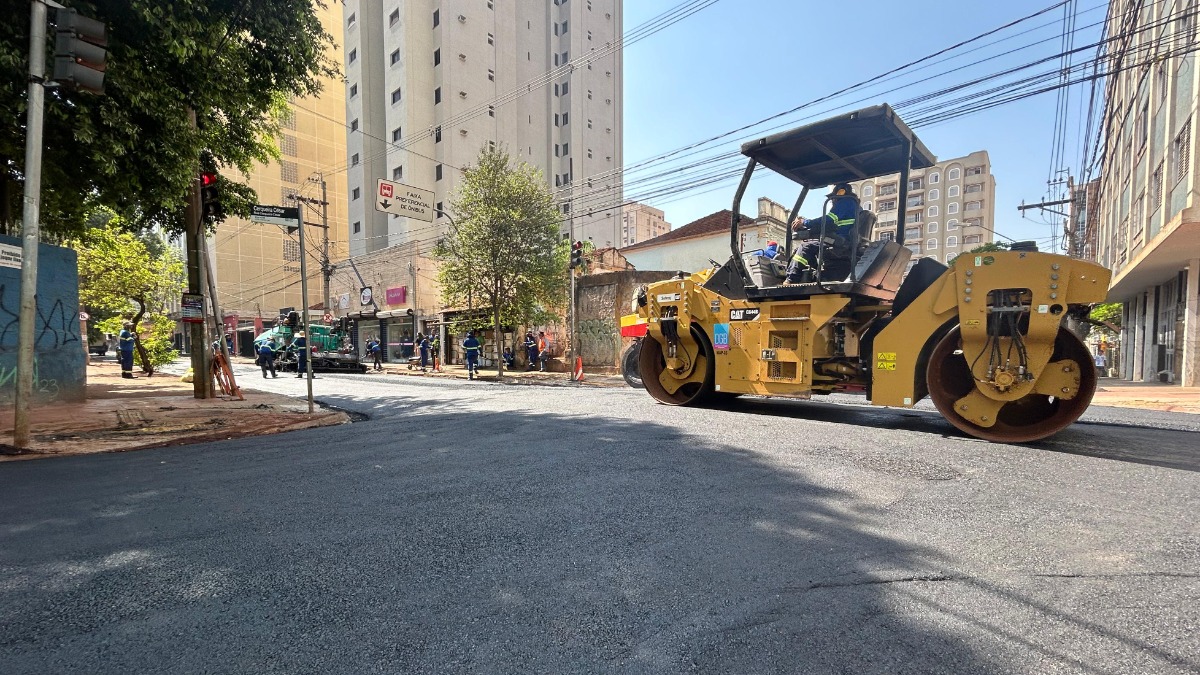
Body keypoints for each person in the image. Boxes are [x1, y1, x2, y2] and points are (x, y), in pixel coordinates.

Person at [785, 183, 860, 284]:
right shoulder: (855, 206)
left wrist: (805, 222)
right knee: (810, 247)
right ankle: (814, 276)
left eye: (833, 197)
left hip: (839, 242)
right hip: (845, 242)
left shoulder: (846, 202)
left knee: (805, 246)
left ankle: (791, 279)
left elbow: (829, 220)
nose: (833, 201)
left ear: (840, 192)